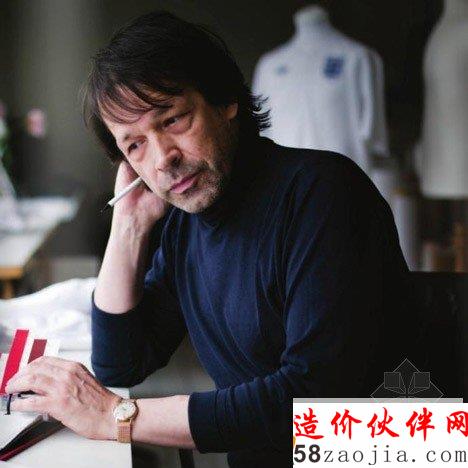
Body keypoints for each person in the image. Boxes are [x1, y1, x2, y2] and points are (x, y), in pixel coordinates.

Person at [5, 11, 413, 467]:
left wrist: (116, 416)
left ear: (224, 100)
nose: (162, 158)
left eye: (173, 120)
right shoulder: (187, 221)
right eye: (134, 145)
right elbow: (122, 362)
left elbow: (312, 400)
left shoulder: (324, 194)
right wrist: (129, 223)